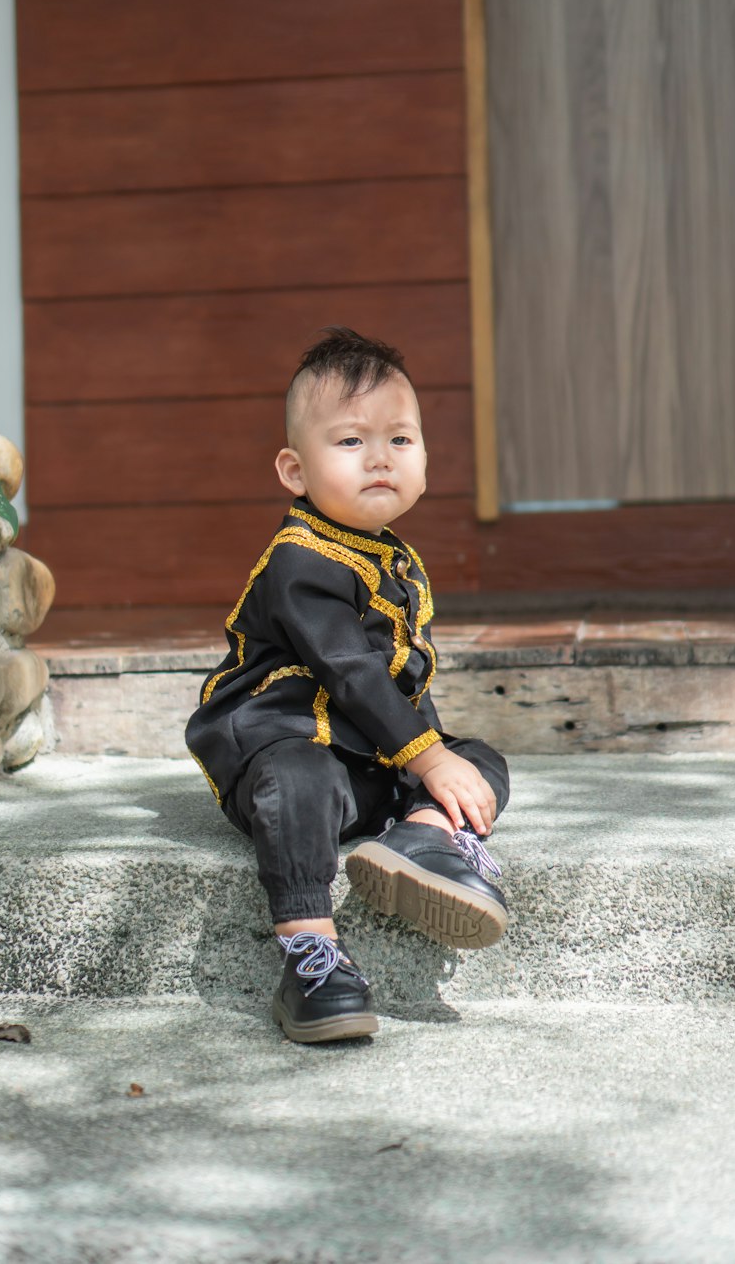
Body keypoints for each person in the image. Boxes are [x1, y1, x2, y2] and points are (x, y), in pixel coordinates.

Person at [185, 327, 510, 1042]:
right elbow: (352, 671)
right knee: (303, 773)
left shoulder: (392, 559)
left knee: (481, 759)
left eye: (400, 440)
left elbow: (401, 681)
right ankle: (312, 955)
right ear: (294, 471)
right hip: (283, 756)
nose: (380, 459)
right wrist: (426, 756)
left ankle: (424, 840)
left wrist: (438, 766)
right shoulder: (299, 562)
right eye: (350, 442)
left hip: (362, 767)